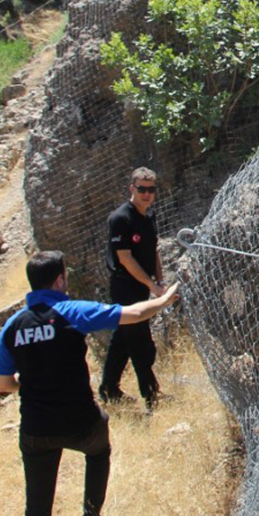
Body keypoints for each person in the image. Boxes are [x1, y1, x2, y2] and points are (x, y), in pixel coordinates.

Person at [0, 250, 178, 516]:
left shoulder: (11, 326)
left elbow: (3, 384)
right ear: (59, 280)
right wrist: (163, 299)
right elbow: (136, 313)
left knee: (36, 510)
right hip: (80, 423)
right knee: (98, 449)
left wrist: (33, 378)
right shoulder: (71, 312)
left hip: (36, 430)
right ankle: (90, 514)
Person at [99, 167, 167, 408]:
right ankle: (151, 396)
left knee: (122, 339)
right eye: (142, 189)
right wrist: (151, 285)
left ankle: (108, 390)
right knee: (141, 343)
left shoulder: (149, 216)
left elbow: (153, 250)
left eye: (151, 189)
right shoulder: (121, 218)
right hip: (125, 287)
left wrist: (159, 281)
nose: (146, 194)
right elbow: (125, 258)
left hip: (143, 285)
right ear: (132, 189)